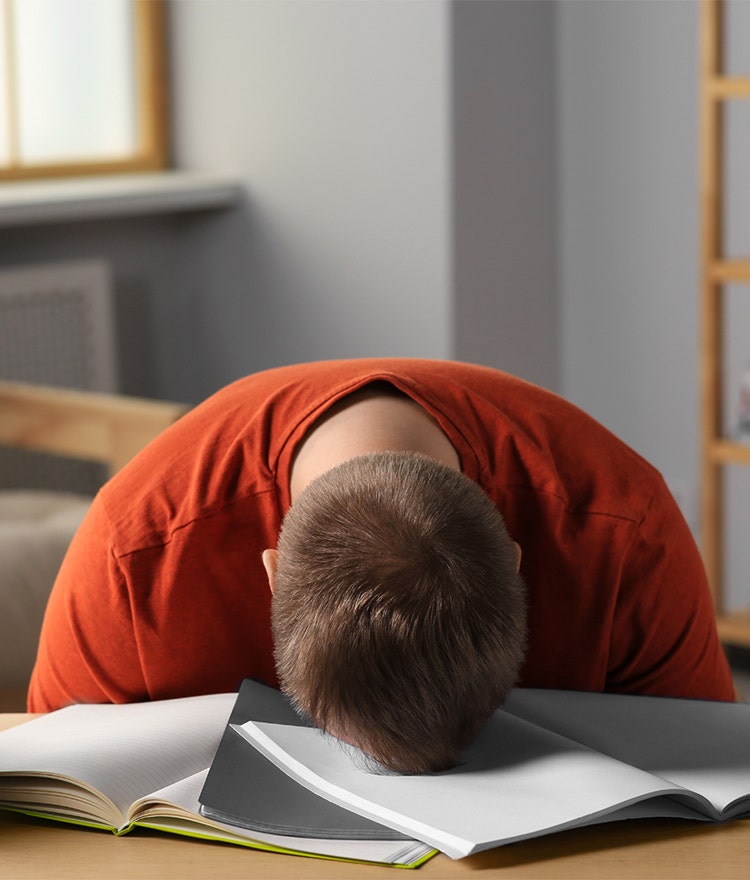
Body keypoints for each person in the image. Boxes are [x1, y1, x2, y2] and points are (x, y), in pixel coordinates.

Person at [28, 359, 736, 772]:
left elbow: (709, 778)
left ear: (516, 566)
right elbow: (58, 788)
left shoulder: (624, 528)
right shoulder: (133, 550)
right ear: (272, 577)